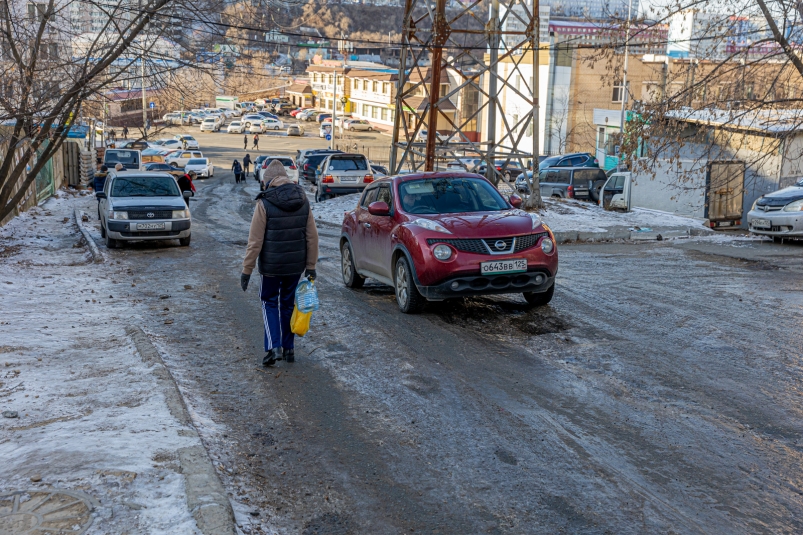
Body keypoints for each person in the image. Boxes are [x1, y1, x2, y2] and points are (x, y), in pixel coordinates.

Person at [241, 160, 318, 367]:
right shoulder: (303, 200)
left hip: (271, 268)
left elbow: (255, 241)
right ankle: (289, 349)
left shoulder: (264, 203)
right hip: (295, 267)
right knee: (287, 304)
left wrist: (246, 270)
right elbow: (312, 237)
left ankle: (273, 347)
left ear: (268, 183)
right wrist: (311, 267)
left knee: (268, 302)